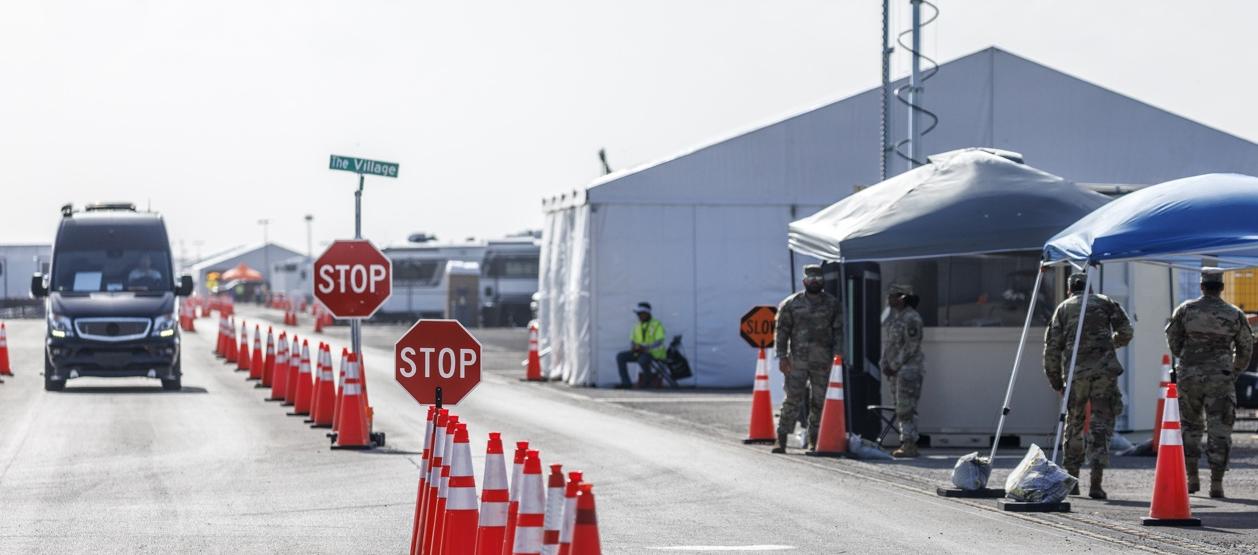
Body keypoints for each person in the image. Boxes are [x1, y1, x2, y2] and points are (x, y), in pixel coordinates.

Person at [1165, 267, 1254, 498]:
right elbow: (1246, 347)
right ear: (1222, 287)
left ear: (1202, 286)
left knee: (1190, 426)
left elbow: (1173, 341)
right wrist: (1234, 370)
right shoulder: (1234, 313)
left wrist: (1187, 358)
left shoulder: (1186, 309)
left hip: (1189, 376)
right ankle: (1216, 483)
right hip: (1220, 378)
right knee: (1220, 430)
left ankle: (1192, 477)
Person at [1043, 272, 1133, 499]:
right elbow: (1127, 331)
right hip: (1104, 373)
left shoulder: (1063, 309)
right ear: (1090, 288)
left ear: (1070, 289)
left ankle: (1072, 481)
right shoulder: (1105, 302)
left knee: (1074, 424)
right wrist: (1109, 345)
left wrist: (1055, 379)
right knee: (1101, 424)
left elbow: (1052, 347)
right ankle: (1096, 483)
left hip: (1077, 373)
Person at [772, 265, 843, 454]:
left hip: (823, 361)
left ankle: (814, 440)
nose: (814, 283)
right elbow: (781, 332)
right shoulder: (791, 303)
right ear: (804, 281)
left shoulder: (832, 304)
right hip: (797, 361)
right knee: (792, 399)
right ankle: (781, 439)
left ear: (823, 282)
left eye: (818, 280)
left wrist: (837, 358)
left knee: (819, 401)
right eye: (811, 279)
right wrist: (781, 357)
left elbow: (838, 332)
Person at [882, 284, 924, 458]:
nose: (889, 300)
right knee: (901, 407)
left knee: (905, 408)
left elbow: (911, 346)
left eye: (892, 296)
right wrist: (885, 363)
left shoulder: (911, 318)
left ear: (902, 298)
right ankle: (907, 441)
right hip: (898, 372)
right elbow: (891, 344)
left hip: (908, 371)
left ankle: (909, 444)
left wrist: (895, 365)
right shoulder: (897, 318)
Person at [615, 302, 666, 389]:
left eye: (640, 313)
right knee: (621, 356)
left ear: (647, 313)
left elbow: (659, 341)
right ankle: (626, 383)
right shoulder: (637, 326)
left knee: (642, 360)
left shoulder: (657, 324)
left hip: (653, 353)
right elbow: (633, 341)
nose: (639, 316)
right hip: (639, 352)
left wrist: (646, 348)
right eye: (638, 314)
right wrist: (634, 347)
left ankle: (648, 382)